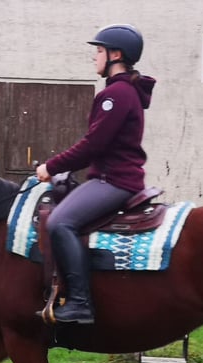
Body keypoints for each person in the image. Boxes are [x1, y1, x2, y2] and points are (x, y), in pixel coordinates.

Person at [35, 24, 156, 324]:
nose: (95, 57)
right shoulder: (124, 91)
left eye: (99, 51)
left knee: (61, 222)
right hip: (113, 177)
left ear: (116, 55)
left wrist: (51, 167)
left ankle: (79, 303)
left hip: (113, 181)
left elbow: (94, 145)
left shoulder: (116, 93)